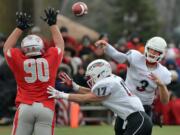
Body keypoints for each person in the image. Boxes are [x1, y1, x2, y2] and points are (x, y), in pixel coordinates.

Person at [47, 59, 153, 135]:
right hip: (132, 119)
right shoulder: (112, 79)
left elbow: (89, 98)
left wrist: (61, 95)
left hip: (137, 120)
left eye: (91, 77)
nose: (90, 80)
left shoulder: (107, 83)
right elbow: (93, 94)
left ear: (100, 74)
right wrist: (75, 86)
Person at [3, 8, 64, 135]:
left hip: (26, 106)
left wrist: (19, 28)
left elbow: (7, 48)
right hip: (46, 107)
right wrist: (53, 25)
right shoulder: (51, 57)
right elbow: (59, 44)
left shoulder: (18, 59)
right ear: (41, 47)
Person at [95, 37, 172, 134]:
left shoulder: (163, 73)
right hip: (126, 104)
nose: (153, 53)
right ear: (146, 48)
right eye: (151, 49)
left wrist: (161, 86)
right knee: (119, 132)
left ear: (162, 54)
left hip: (144, 108)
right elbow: (118, 56)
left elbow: (165, 101)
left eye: (156, 51)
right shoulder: (135, 57)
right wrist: (108, 47)